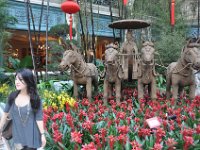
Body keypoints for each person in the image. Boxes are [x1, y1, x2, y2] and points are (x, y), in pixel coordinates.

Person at [0, 68, 46, 150]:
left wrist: (42, 135)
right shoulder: (12, 96)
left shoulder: (35, 99)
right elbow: (5, 115)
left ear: (28, 81)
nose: (17, 82)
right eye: (16, 79)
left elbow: (38, 118)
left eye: (20, 79)